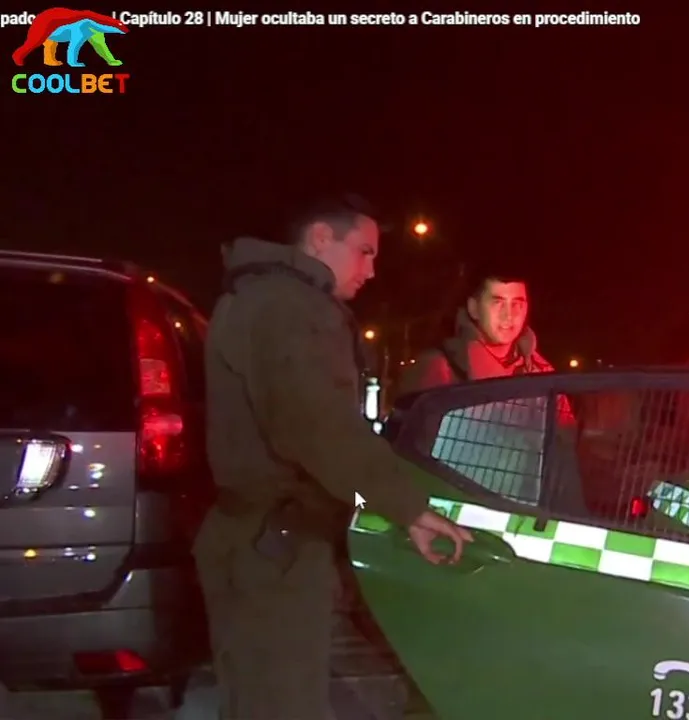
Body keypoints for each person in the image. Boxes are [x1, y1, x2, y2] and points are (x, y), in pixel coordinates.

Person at [195, 194, 473, 719]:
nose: (372, 270)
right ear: (321, 238)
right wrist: (409, 507)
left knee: (256, 695)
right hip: (275, 544)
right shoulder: (290, 307)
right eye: (365, 252)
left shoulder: (259, 298)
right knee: (281, 702)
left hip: (257, 537)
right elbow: (318, 424)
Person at [398, 268, 555, 391]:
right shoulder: (439, 369)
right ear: (474, 308)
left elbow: (563, 422)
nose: (509, 315)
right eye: (498, 303)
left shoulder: (541, 372)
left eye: (517, 304)